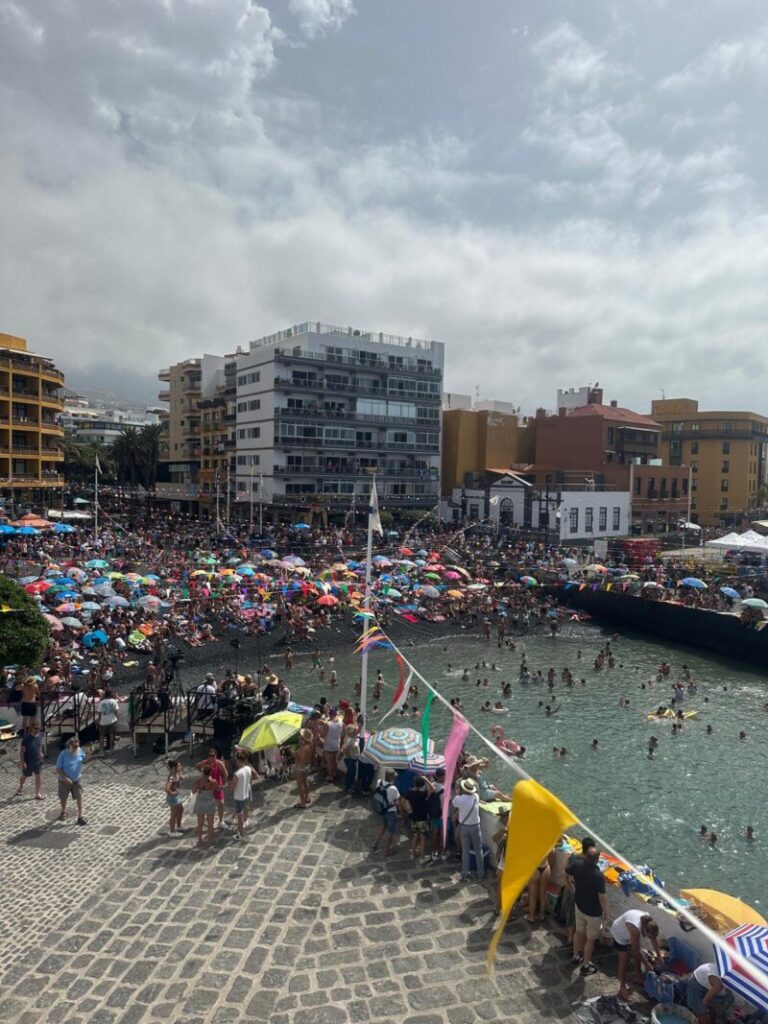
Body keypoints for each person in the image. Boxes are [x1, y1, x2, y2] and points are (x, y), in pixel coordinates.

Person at [566, 846, 607, 976]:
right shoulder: (598, 875)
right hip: (593, 913)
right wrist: (606, 912)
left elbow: (566, 872)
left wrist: (570, 886)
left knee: (578, 932)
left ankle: (575, 957)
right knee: (590, 939)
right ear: (597, 860)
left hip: (579, 906)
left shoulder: (577, 865)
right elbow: (602, 897)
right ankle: (585, 966)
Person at [609, 910, 662, 1001]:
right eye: (648, 936)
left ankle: (639, 977)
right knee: (624, 962)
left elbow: (653, 939)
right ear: (644, 930)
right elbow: (636, 952)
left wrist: (659, 955)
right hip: (619, 934)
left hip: (628, 934)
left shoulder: (648, 921)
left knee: (636, 956)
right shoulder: (635, 930)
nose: (650, 938)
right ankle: (622, 987)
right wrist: (646, 964)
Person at [452, 778, 484, 883]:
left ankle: (465, 873)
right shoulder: (476, 797)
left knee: (465, 851)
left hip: (464, 827)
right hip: (475, 826)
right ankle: (480, 873)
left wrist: (457, 793)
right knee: (478, 850)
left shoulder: (459, 799)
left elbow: (453, 803)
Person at [56, 736, 87, 825]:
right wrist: (65, 778)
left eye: (77, 746)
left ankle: (80, 817)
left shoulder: (79, 750)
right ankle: (63, 811)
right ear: (69, 745)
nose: (76, 748)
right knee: (63, 797)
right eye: (74, 746)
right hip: (64, 781)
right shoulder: (63, 754)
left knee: (79, 797)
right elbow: (58, 768)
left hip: (76, 780)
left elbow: (83, 759)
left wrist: (90, 753)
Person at [196, 747, 228, 827]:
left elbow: (225, 774)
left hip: (217, 784)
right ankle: (208, 819)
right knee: (208, 803)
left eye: (213, 755)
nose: (211, 757)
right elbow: (197, 766)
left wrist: (223, 783)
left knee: (221, 803)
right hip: (209, 786)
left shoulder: (219, 763)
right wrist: (203, 772)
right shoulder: (205, 762)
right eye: (209, 755)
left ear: (216, 756)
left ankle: (221, 821)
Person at [372, 769, 400, 857]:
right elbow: (397, 800)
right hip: (391, 812)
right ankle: (387, 850)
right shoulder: (393, 788)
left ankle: (375, 844)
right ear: (392, 777)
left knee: (382, 827)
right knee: (390, 831)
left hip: (380, 810)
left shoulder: (379, 782)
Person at [403, 776, 430, 861]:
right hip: (422, 818)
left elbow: (403, 800)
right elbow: (433, 789)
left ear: (414, 783)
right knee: (422, 838)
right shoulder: (423, 794)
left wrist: (408, 810)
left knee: (415, 835)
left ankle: (412, 853)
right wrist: (427, 780)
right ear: (422, 785)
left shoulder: (409, 792)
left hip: (413, 817)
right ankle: (422, 857)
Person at [17, 722, 44, 800]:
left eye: (39, 728)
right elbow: (22, 751)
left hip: (38, 760)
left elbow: (40, 744)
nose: (37, 730)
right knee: (25, 776)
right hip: (28, 761)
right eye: (36, 728)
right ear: (31, 728)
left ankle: (37, 793)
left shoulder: (40, 735)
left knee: (38, 775)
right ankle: (20, 787)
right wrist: (23, 762)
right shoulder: (26, 739)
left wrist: (41, 752)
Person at [230, 752, 254, 839]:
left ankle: (241, 833)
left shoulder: (237, 774)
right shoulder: (248, 768)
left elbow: (233, 787)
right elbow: (250, 780)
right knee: (246, 809)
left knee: (239, 815)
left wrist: (230, 786)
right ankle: (244, 824)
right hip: (246, 794)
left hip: (238, 796)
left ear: (237, 760)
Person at [192, 765, 217, 847]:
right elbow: (219, 789)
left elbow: (193, 791)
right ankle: (210, 841)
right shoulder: (213, 781)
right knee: (210, 824)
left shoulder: (199, 781)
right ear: (210, 772)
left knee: (200, 824)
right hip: (210, 803)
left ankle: (200, 841)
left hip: (200, 803)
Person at [492, 807, 509, 914]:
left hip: (504, 857)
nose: (505, 817)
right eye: (503, 815)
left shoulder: (511, 823)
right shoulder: (498, 825)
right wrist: (504, 831)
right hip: (502, 857)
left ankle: (498, 909)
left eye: (507, 815)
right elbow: (493, 839)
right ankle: (502, 910)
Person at [293, 728, 313, 808]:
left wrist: (295, 754)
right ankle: (307, 797)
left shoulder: (303, 748)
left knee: (300, 784)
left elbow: (301, 759)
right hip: (306, 767)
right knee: (305, 781)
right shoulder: (310, 745)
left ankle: (302, 802)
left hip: (300, 768)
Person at [322, 708, 343, 783]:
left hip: (329, 745)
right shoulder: (340, 721)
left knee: (329, 762)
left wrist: (325, 722)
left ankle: (330, 777)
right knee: (334, 761)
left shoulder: (328, 724)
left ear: (330, 714)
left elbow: (323, 734)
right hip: (337, 744)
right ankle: (334, 773)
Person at [164, 759, 184, 835]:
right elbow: (166, 788)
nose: (180, 767)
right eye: (179, 766)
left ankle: (179, 826)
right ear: (173, 768)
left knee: (181, 810)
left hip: (177, 796)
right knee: (174, 814)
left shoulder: (177, 773)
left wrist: (180, 776)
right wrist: (172, 793)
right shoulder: (171, 777)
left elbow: (180, 778)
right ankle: (172, 831)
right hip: (173, 798)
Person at [340, 725, 360, 794]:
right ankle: (348, 787)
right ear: (352, 732)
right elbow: (343, 749)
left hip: (352, 759)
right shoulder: (348, 739)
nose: (356, 731)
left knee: (350, 773)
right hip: (349, 759)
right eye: (354, 730)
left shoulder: (353, 737)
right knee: (352, 774)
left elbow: (358, 729)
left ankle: (348, 785)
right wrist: (349, 756)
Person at [98, 688, 119, 753]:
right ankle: (111, 749)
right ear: (111, 694)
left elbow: (99, 712)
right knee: (111, 735)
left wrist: (99, 720)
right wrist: (115, 717)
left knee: (101, 735)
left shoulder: (101, 702)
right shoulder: (114, 701)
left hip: (103, 721)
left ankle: (101, 750)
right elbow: (116, 711)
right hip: (112, 720)